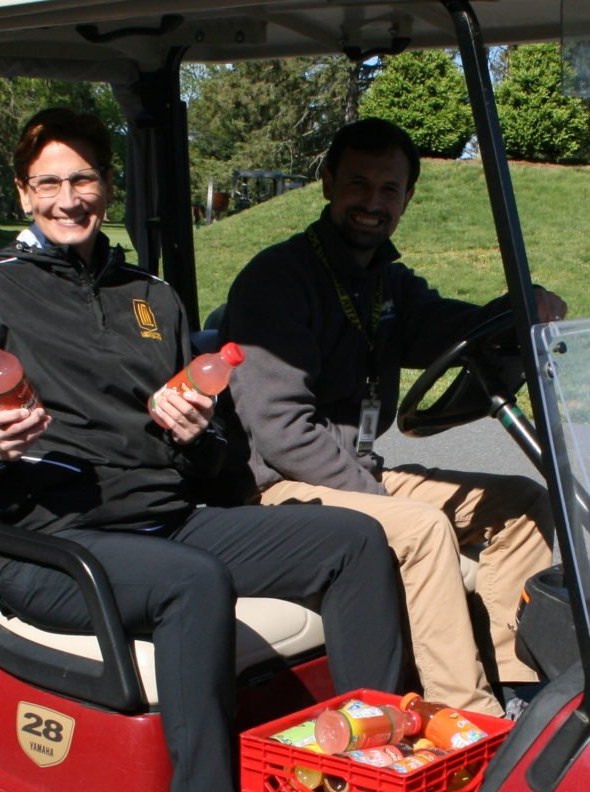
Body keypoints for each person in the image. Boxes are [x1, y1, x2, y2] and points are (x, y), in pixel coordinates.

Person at [0, 107, 405, 792]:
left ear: (106, 186)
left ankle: (361, 779)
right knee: (192, 583)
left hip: (166, 525)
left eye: (84, 179)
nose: (69, 198)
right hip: (47, 548)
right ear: (24, 191)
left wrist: (196, 430)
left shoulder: (153, 297)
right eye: (51, 182)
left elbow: (212, 468)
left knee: (355, 540)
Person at [221, 118, 562, 719]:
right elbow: (281, 435)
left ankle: (519, 686)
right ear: (327, 183)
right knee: (423, 527)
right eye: (358, 184)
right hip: (279, 490)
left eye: (388, 190)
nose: (372, 204)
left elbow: (442, 327)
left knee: (524, 504)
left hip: (356, 473)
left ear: (407, 197)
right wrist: (380, 495)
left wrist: (516, 311)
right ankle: (468, 716)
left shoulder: (384, 283)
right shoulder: (278, 281)